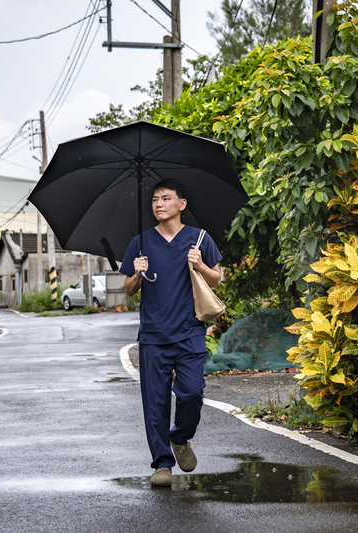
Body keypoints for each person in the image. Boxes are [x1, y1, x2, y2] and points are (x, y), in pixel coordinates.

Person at [120, 178, 222, 488]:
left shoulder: (200, 238)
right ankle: (162, 463)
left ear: (182, 204)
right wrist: (136, 273)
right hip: (153, 335)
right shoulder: (139, 243)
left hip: (190, 332)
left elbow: (216, 280)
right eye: (154, 200)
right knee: (156, 404)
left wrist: (201, 265)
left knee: (191, 393)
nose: (158, 204)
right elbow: (128, 290)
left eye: (165, 198)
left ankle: (180, 438)